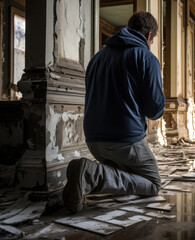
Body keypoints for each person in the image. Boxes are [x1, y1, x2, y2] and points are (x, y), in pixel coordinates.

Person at [63, 11, 165, 213]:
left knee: (124, 171)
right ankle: (90, 174)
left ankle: (92, 173)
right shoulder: (146, 57)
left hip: (93, 141)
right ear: (148, 36)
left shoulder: (97, 57)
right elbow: (154, 110)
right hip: (125, 140)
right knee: (153, 183)